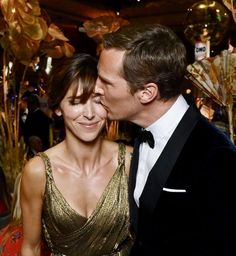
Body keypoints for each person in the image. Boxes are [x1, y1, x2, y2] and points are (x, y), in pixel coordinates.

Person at [95, 23, 236, 255]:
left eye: (106, 82)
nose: (96, 89)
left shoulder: (216, 156)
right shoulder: (142, 132)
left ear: (147, 93)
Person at [20, 53, 133, 256]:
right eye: (76, 102)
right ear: (58, 108)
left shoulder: (131, 162)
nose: (89, 113)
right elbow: (31, 247)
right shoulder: (38, 172)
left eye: (98, 101)